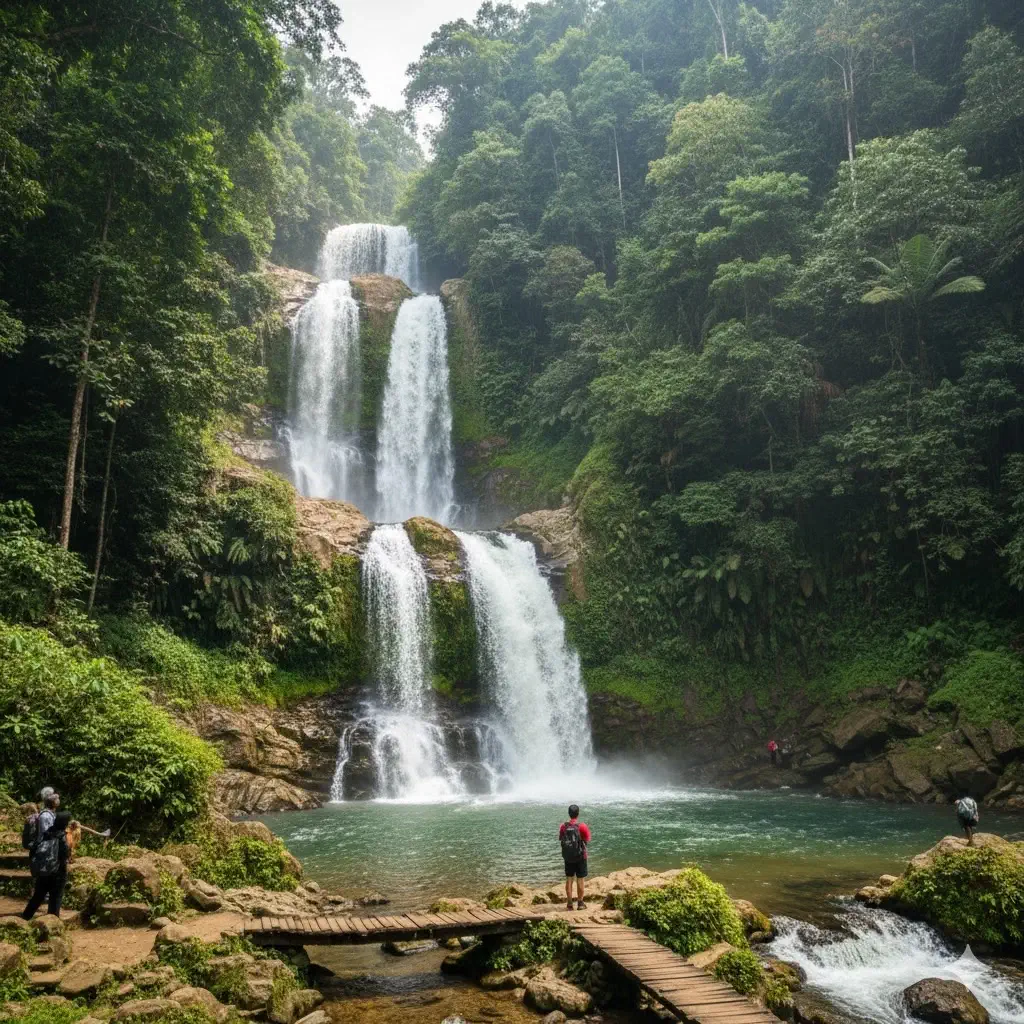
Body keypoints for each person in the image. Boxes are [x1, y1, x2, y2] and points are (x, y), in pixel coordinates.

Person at [23, 810, 71, 920]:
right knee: (55, 898)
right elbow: (64, 855)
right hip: (58, 872)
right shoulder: (62, 836)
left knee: (38, 896)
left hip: (44, 871)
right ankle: (52, 923)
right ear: (65, 823)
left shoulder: (47, 832)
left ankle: (24, 918)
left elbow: (36, 847)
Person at [559, 804, 591, 911]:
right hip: (581, 856)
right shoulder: (582, 826)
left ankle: (569, 904)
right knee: (580, 879)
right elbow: (587, 839)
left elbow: (561, 839)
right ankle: (580, 903)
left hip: (568, 857)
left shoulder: (563, 826)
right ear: (578, 813)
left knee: (569, 879)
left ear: (569, 813)